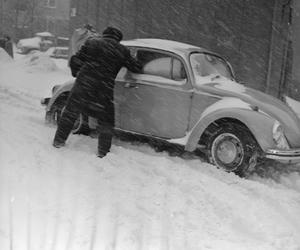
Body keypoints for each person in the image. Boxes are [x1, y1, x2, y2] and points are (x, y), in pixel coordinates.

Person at [53, 26, 141, 157]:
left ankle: (58, 141)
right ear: (118, 38)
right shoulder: (122, 50)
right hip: (104, 90)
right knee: (106, 122)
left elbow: (76, 61)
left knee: (70, 114)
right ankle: (103, 152)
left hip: (84, 85)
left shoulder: (91, 43)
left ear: (104, 35)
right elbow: (136, 67)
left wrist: (77, 73)